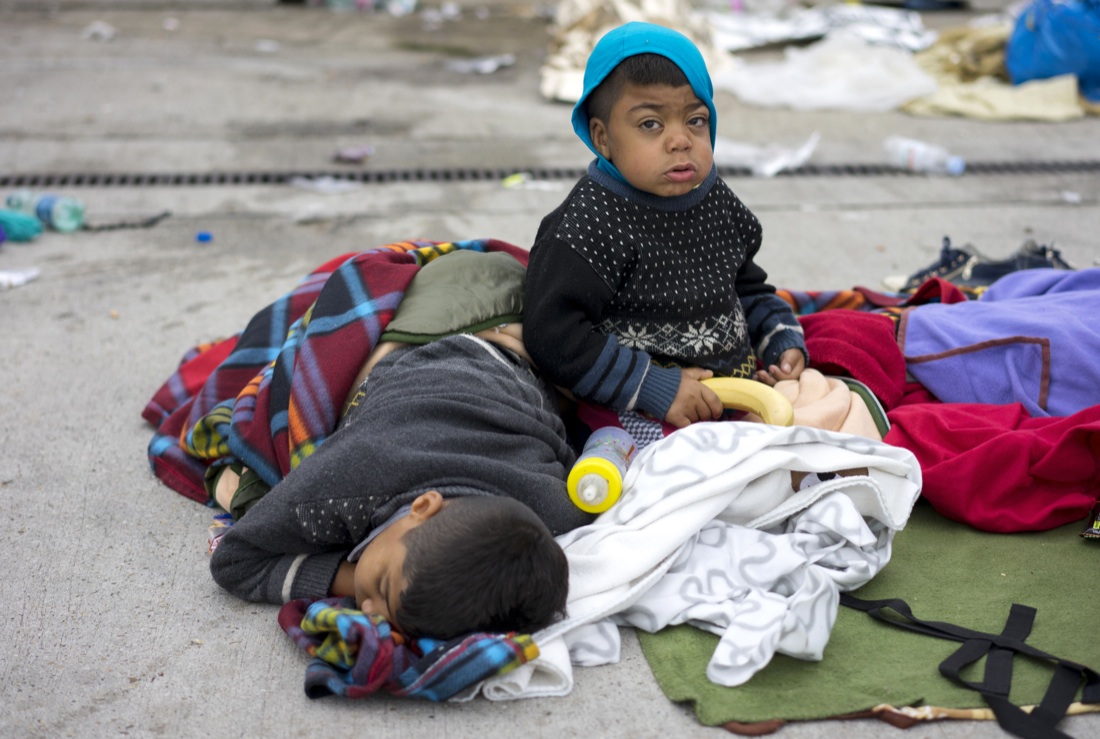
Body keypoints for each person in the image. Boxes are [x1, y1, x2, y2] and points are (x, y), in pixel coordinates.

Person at [208, 331, 594, 640]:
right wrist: (347, 579)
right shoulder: (350, 481)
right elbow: (236, 560)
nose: (368, 610)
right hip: (439, 353)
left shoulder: (559, 509)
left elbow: (565, 448)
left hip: (507, 384)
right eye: (381, 587)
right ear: (423, 506)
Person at [523, 22, 808, 431]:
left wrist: (780, 339)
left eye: (695, 120)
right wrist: (654, 386)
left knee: (836, 407)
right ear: (602, 138)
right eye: (650, 124)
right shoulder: (589, 224)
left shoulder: (716, 200)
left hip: (739, 397)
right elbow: (552, 334)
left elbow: (746, 289)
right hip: (636, 414)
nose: (680, 140)